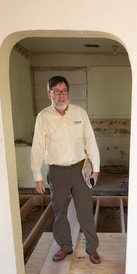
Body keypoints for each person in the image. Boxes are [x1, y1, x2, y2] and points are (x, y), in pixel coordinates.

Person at [30, 75, 101, 264]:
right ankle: (65, 246)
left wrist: (96, 169)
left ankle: (92, 248)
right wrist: (37, 175)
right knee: (59, 211)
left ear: (68, 93)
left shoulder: (79, 113)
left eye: (64, 91)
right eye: (56, 92)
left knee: (85, 210)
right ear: (49, 94)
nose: (61, 96)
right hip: (57, 171)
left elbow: (90, 140)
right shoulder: (43, 117)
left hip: (80, 169)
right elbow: (37, 146)